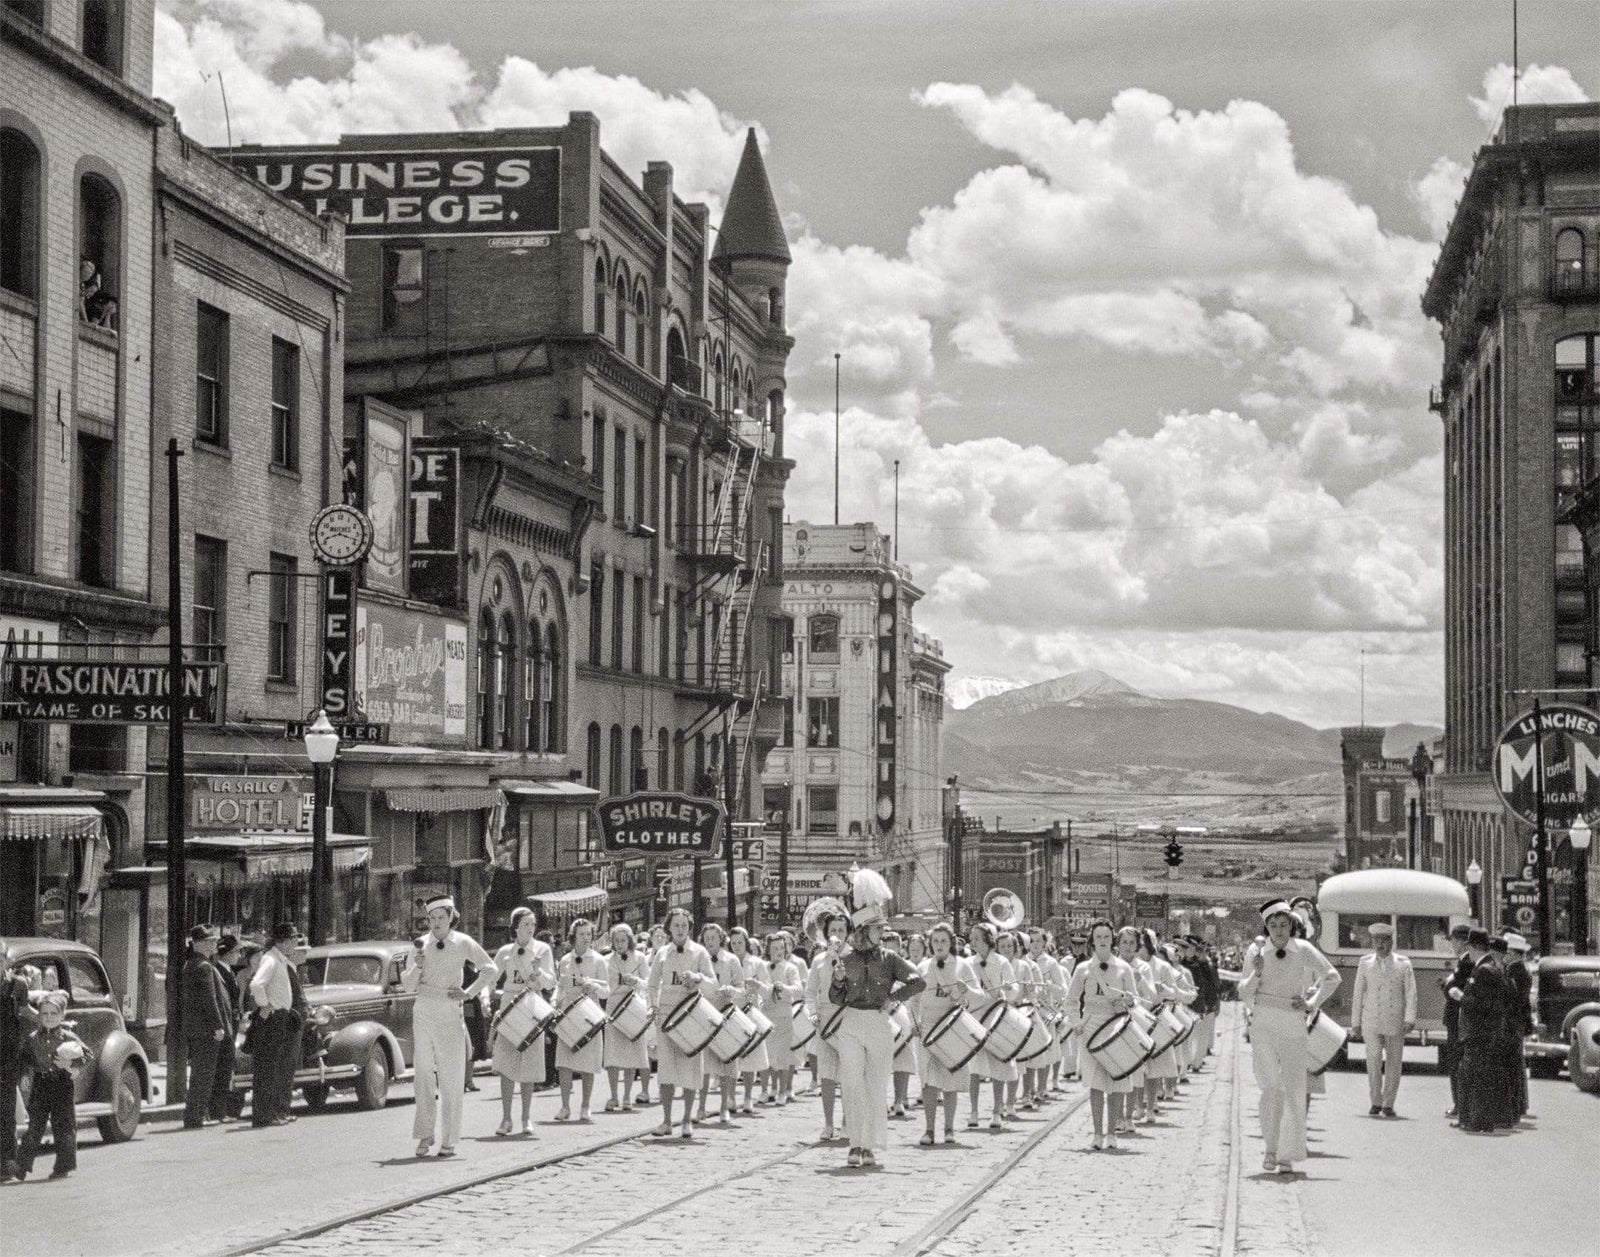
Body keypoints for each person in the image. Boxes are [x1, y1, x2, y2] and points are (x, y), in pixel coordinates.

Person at [827, 867, 925, 1168]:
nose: (881, 933)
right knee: (852, 1083)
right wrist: (839, 980)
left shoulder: (890, 958)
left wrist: (893, 999)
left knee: (875, 1086)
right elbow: (836, 998)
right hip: (853, 1022)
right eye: (876, 929)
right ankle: (854, 1144)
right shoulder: (845, 958)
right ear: (862, 931)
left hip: (879, 1024)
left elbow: (918, 981)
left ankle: (869, 1145)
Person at [1239, 899, 1340, 1173]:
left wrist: (1311, 1003)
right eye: (1273, 925)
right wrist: (1256, 973)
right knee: (1270, 1086)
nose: (1279, 931)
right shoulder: (1256, 951)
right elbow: (1243, 991)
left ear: (1292, 925)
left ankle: (1287, 1154)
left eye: (1284, 925)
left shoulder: (1304, 949)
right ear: (1266, 927)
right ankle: (1270, 1148)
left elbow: (1332, 977)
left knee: (1294, 1087)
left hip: (1293, 1023)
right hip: (1263, 1023)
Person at [401, 896, 499, 1157]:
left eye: (441, 918)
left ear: (450, 917)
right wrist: (417, 968)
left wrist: (469, 993)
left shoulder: (463, 942)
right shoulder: (420, 945)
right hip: (423, 1009)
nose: (435, 923)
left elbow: (490, 969)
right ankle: (424, 1134)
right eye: (431, 919)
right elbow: (408, 985)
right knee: (422, 1072)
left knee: (451, 1076)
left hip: (449, 1010)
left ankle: (449, 1139)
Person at [1064, 920, 1138, 1150]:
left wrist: (1127, 1000)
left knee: (1116, 1079)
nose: (1103, 941)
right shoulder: (1083, 969)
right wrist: (1076, 1023)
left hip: (1116, 1026)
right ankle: (1097, 1134)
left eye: (1107, 936)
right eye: (1099, 937)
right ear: (1092, 941)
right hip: (1091, 1027)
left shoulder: (1125, 969)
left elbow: (1134, 999)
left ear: (1112, 939)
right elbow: (1071, 1000)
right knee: (1096, 1082)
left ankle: (1112, 1133)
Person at [646, 907, 715, 1138]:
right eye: (676, 925)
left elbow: (712, 983)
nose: (680, 929)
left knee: (689, 1069)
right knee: (666, 1070)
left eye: (684, 925)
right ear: (669, 927)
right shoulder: (662, 953)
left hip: (690, 1016)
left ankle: (686, 1120)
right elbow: (652, 984)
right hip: (666, 1016)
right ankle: (666, 1121)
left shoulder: (699, 953)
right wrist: (652, 1006)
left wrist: (697, 978)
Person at [490, 906, 555, 1136]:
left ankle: (526, 1117)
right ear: (515, 927)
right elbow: (491, 975)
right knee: (507, 1064)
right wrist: (486, 999)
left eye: (533, 924)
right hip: (510, 1005)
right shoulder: (506, 951)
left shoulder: (543, 950)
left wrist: (540, 973)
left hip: (531, 1005)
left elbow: (550, 983)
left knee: (529, 1065)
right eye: (526, 924)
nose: (530, 929)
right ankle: (506, 1118)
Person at [914, 922, 978, 1146]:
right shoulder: (923, 966)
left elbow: (978, 994)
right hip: (928, 1027)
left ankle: (949, 1128)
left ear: (951, 943)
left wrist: (964, 990)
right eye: (935, 941)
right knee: (929, 1080)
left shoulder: (962, 966)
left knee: (951, 1077)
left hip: (952, 1025)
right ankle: (929, 1129)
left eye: (943, 941)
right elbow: (913, 997)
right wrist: (915, 1022)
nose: (939, 945)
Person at [14, 991, 86, 1180]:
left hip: (61, 1084)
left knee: (63, 1126)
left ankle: (63, 1166)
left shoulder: (68, 1038)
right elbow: (24, 1059)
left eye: (54, 1014)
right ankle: (21, 1165)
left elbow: (85, 1055)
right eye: (44, 1014)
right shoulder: (32, 1039)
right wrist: (25, 1075)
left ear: (62, 1016)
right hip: (41, 1084)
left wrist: (71, 1066)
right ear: (39, 1016)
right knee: (35, 1126)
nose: (49, 1018)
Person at [1349, 921, 1416, 1117]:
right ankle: (1375, 1101)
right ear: (1372, 942)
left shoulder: (1403, 964)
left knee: (1394, 1062)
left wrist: (1410, 1018)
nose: (1380, 945)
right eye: (1376, 941)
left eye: (1384, 941)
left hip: (1395, 1019)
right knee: (1374, 1058)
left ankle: (1388, 1103)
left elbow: (1411, 993)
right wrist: (1356, 1023)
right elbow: (1358, 993)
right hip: (1371, 1019)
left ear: (1391, 942)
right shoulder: (1365, 963)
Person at [1449, 927, 1508, 1133]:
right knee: (1480, 1076)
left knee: (1473, 1076)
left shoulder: (1484, 969)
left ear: (1474, 947)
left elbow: (1483, 1004)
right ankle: (1479, 1119)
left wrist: (1460, 996)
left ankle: (1476, 1120)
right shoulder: (1490, 967)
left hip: (1479, 1031)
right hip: (1486, 1032)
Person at [553, 917, 609, 1123]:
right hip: (568, 1013)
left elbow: (606, 991)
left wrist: (593, 987)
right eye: (582, 934)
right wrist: (554, 1002)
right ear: (573, 936)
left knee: (588, 1063)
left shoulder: (599, 960)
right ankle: (565, 1106)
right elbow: (561, 986)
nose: (586, 938)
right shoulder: (566, 960)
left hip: (589, 1015)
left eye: (589, 934)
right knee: (564, 1063)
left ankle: (585, 1106)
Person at [181, 924, 236, 1129]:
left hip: (198, 1029)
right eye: (210, 941)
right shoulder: (202, 966)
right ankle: (195, 1116)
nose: (214, 944)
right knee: (203, 1075)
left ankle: (198, 1114)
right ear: (198, 943)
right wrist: (218, 1026)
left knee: (202, 1074)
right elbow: (209, 999)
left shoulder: (194, 963)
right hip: (205, 1030)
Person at [247, 922, 302, 1127]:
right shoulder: (270, 959)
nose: (295, 943)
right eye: (293, 939)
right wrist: (265, 1004)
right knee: (267, 1067)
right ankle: (264, 1115)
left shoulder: (279, 960)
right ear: (284, 941)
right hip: (272, 1018)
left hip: (280, 1018)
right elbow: (256, 984)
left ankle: (271, 1113)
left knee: (275, 1066)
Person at [966, 921, 1017, 1130]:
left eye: (976, 938)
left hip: (996, 1017)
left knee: (999, 1064)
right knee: (974, 1069)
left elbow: (1014, 992)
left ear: (987, 939)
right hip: (976, 1017)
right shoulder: (968, 963)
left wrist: (1006, 990)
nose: (972, 941)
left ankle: (997, 1111)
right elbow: (967, 993)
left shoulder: (1002, 962)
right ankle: (974, 1111)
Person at [805, 910, 850, 1140]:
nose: (837, 935)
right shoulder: (818, 960)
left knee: (849, 1074)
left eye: (841, 930)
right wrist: (813, 1014)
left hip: (848, 1020)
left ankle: (847, 1122)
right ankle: (828, 1123)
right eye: (832, 930)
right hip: (825, 1020)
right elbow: (810, 993)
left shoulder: (854, 957)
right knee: (827, 1076)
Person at [1, 940, 40, 1182]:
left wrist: (49, 1020)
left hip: (8, 1055)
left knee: (5, 1110)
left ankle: (6, 1161)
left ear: (6, 960)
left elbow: (26, 1012)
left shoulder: (17, 985)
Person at [603, 922, 650, 1114]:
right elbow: (605, 988)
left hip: (633, 1007)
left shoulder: (639, 958)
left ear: (629, 940)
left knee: (632, 1053)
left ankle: (627, 1096)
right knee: (613, 1054)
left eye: (623, 940)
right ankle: (613, 1095)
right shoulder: (606, 960)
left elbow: (648, 984)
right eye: (616, 940)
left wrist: (636, 981)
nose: (620, 944)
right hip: (614, 1008)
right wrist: (619, 982)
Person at [727, 927, 770, 1113]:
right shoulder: (726, 960)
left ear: (747, 943)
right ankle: (729, 1097)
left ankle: (747, 1097)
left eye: (740, 942)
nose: (737, 946)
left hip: (750, 1011)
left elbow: (767, 989)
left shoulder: (757, 963)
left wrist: (757, 986)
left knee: (751, 1056)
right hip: (730, 1011)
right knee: (730, 1056)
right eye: (733, 943)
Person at [762, 931, 805, 1106]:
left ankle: (782, 1091)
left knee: (783, 1055)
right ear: (768, 950)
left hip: (784, 1015)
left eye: (781, 947)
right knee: (769, 1054)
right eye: (774, 948)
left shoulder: (791, 968)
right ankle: (769, 1089)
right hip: (767, 1013)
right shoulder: (763, 967)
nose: (778, 951)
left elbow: (798, 990)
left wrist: (784, 987)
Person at [1440, 922, 1473, 1118]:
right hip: (1456, 1019)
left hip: (1458, 1019)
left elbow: (1451, 988)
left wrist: (1447, 984)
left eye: (1454, 940)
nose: (1452, 944)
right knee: (1455, 1062)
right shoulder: (1463, 961)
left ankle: (1459, 1105)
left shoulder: (1466, 962)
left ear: (1462, 942)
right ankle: (1459, 1103)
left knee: (1456, 1063)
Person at [1500, 932, 1533, 1121]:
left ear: (1513, 953)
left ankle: (1517, 1104)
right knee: (1516, 1064)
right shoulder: (1521, 969)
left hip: (1512, 1022)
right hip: (1517, 1022)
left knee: (1513, 1064)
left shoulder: (1515, 971)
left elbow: (1513, 999)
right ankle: (1520, 1103)